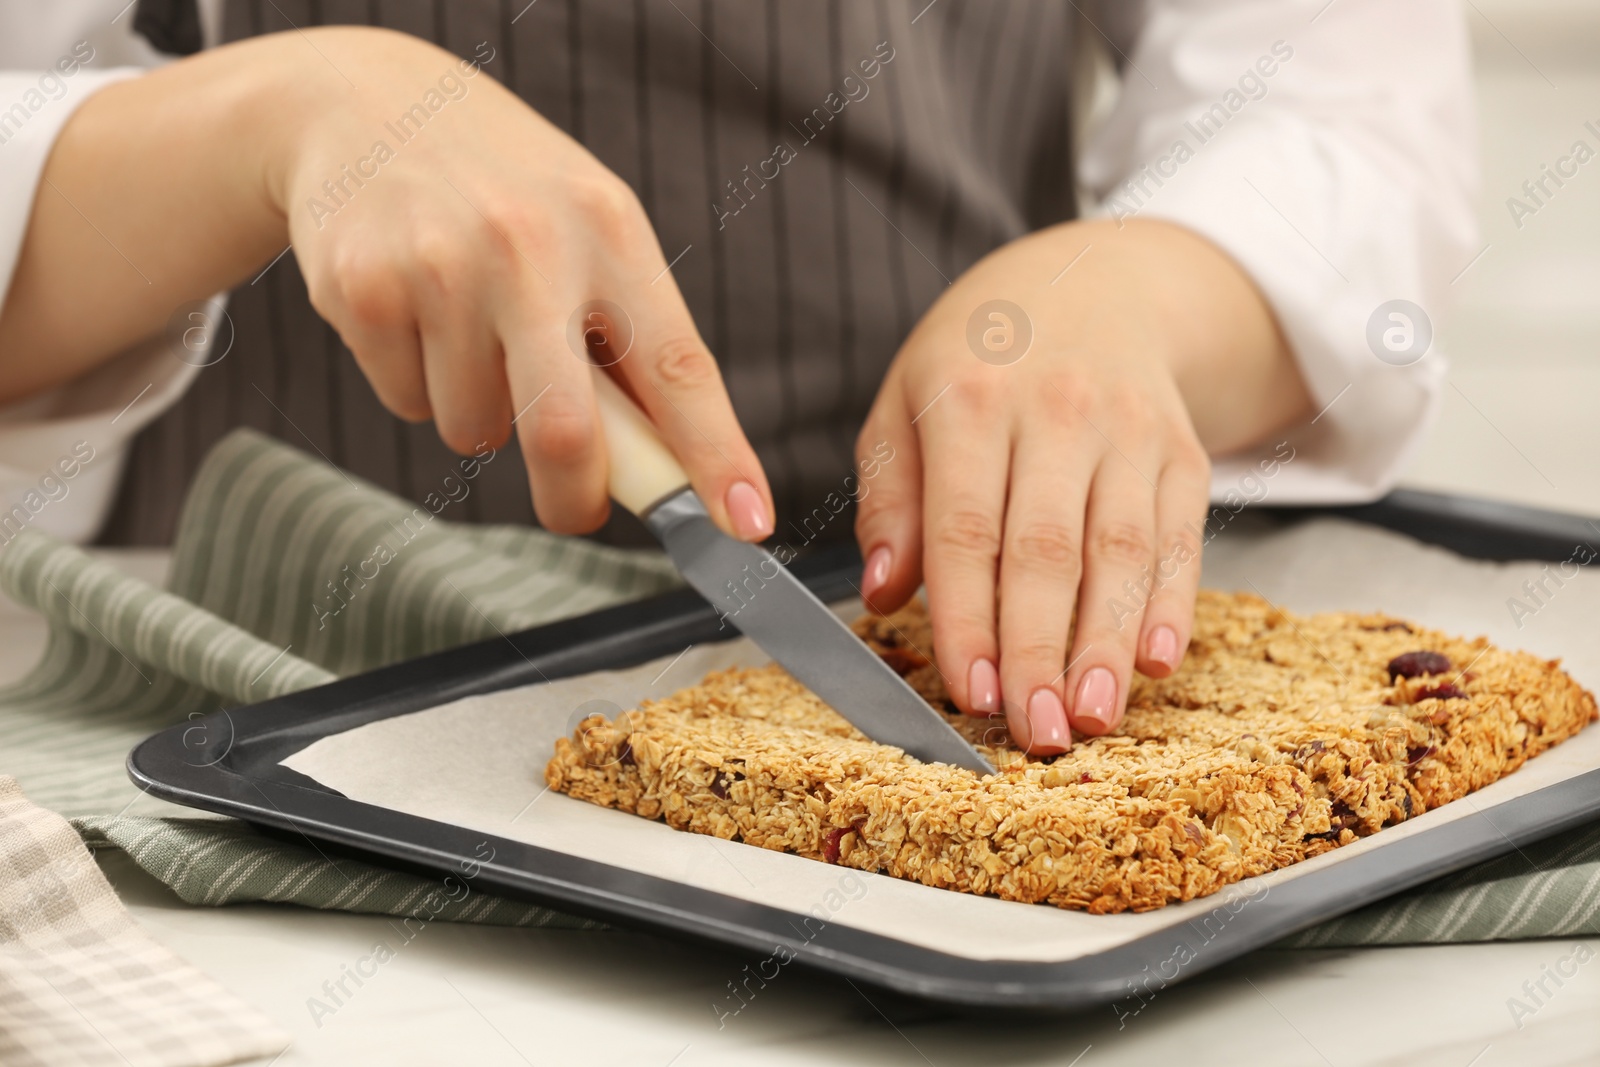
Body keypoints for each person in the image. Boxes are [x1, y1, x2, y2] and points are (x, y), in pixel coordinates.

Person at [0, 0, 1477, 755]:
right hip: (210, 684)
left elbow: (1348, 121)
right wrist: (264, 124)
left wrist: (1138, 296)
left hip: (938, 614)